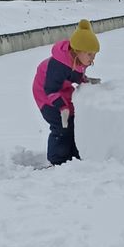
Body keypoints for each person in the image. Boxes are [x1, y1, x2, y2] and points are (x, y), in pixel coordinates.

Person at [31, 19, 102, 165]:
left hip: (62, 89)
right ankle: (58, 160)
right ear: (77, 51)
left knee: (74, 122)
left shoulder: (78, 60)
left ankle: (75, 154)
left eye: (94, 55)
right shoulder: (58, 65)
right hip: (46, 94)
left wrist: (85, 81)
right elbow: (50, 88)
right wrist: (62, 107)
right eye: (90, 54)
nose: (92, 59)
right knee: (61, 126)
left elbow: (74, 75)